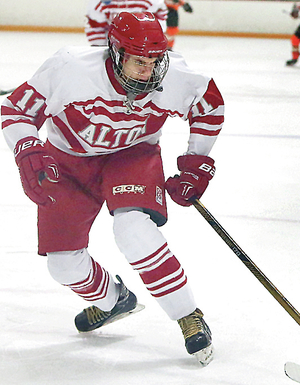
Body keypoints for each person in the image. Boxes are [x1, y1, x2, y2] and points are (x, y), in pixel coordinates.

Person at [1, 12, 224, 366]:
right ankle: (113, 300)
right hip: (69, 162)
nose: (147, 71)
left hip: (132, 155)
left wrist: (196, 163)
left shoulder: (176, 77)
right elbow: (15, 110)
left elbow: (209, 105)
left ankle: (187, 315)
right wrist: (27, 148)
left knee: (133, 230)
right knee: (63, 267)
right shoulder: (71, 68)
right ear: (116, 52)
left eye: (154, 61)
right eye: (138, 61)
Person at [85, 0, 168, 46]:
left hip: (143, 43)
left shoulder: (150, 2)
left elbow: (159, 13)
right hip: (113, 44)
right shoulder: (99, 4)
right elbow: (95, 26)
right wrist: (101, 47)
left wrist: (153, 40)